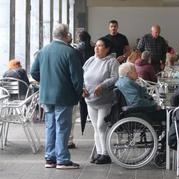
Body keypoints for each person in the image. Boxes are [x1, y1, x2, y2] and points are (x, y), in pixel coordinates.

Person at [31, 24, 83, 169]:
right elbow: (77, 78)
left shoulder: (43, 51)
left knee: (50, 126)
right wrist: (79, 93)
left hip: (46, 96)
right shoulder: (70, 52)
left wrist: (47, 81)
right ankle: (62, 160)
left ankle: (50, 158)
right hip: (64, 96)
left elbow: (34, 72)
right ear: (67, 35)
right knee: (62, 127)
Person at [83, 37, 119, 164]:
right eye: (96, 45)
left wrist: (102, 85)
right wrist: (82, 87)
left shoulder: (112, 61)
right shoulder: (90, 60)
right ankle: (99, 153)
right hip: (90, 100)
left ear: (107, 48)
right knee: (95, 128)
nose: (96, 48)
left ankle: (106, 154)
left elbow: (115, 78)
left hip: (105, 100)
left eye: (100, 46)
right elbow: (83, 76)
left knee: (101, 126)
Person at [75, 31, 95, 136]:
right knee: (90, 100)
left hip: (81, 77)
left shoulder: (77, 49)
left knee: (82, 102)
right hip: (92, 77)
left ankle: (83, 124)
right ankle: (91, 117)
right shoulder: (93, 48)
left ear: (79, 39)